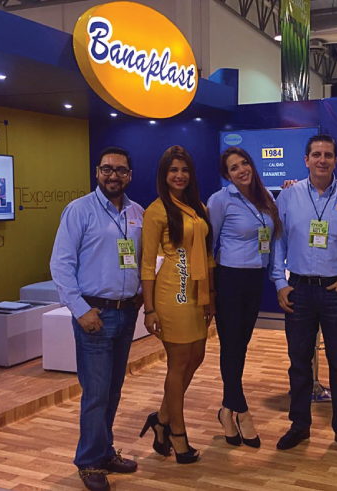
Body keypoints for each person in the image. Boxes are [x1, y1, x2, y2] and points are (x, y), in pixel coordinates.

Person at [50, 146, 143, 491]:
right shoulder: (79, 210)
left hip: (126, 313)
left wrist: (141, 294)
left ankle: (103, 452)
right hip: (95, 316)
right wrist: (79, 310)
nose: (113, 175)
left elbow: (143, 258)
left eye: (120, 170)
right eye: (107, 169)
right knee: (96, 393)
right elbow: (61, 264)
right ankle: (88, 461)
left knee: (113, 390)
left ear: (129, 175)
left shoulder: (137, 212)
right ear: (97, 172)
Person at [271, 134, 337, 457]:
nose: (322, 160)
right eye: (316, 154)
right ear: (306, 160)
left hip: (336, 291)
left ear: (336, 160)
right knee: (299, 362)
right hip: (298, 290)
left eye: (328, 155)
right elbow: (278, 243)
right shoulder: (288, 196)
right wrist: (280, 282)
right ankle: (299, 425)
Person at [139, 145, 215, 464]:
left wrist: (210, 296)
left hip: (197, 293)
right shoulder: (156, 211)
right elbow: (147, 264)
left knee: (196, 356)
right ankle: (178, 435)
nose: (179, 175)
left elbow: (207, 255)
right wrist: (150, 309)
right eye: (173, 170)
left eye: (184, 170)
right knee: (179, 362)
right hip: (172, 293)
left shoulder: (198, 207)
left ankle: (161, 420)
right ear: (164, 175)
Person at [207, 147, 282, 448]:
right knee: (231, 346)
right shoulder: (220, 200)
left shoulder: (267, 198)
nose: (242, 170)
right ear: (227, 175)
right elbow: (209, 246)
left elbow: (273, 241)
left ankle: (227, 410)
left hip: (255, 280)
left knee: (240, 347)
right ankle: (242, 412)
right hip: (229, 279)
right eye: (234, 167)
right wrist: (210, 290)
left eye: (244, 163)